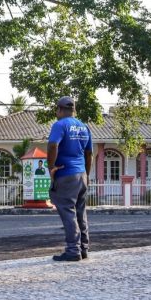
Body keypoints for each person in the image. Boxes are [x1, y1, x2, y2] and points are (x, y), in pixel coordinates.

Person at [47, 96, 93, 262]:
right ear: (74, 110)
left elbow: (53, 145)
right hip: (81, 174)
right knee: (81, 212)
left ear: (59, 110)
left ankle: (73, 250)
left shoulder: (59, 125)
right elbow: (89, 154)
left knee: (68, 212)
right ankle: (84, 249)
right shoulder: (84, 127)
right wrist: (86, 174)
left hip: (66, 175)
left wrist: (51, 167)